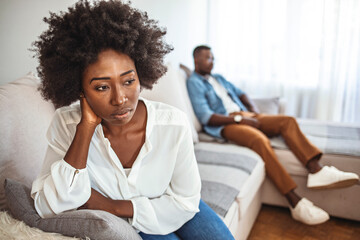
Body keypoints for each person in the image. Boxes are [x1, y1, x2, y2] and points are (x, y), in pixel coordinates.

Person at [31, 2, 235, 239]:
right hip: (133, 223)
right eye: (102, 87)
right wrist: (85, 129)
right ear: (79, 89)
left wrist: (111, 205)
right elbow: (48, 206)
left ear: (141, 75)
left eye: (128, 81)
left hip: (172, 203)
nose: (120, 99)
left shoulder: (173, 123)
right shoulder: (66, 125)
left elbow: (185, 200)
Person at [186, 45, 359, 225]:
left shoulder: (218, 78)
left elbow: (241, 94)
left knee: (287, 121)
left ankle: (317, 169)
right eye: (208, 58)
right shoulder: (194, 82)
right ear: (196, 59)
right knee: (259, 140)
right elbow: (206, 116)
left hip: (245, 115)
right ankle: (295, 202)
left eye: (213, 58)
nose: (212, 62)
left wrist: (253, 111)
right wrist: (239, 120)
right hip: (227, 124)